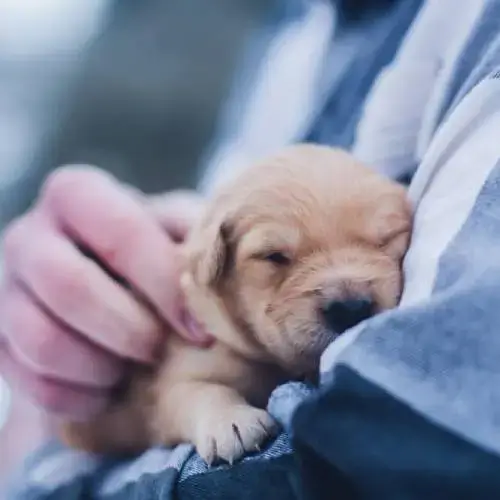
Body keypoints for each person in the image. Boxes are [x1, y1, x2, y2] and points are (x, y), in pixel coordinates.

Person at [3, 0, 500, 498]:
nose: (347, 292)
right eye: (277, 258)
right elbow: (174, 398)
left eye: (383, 239)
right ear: (212, 268)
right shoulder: (291, 34)